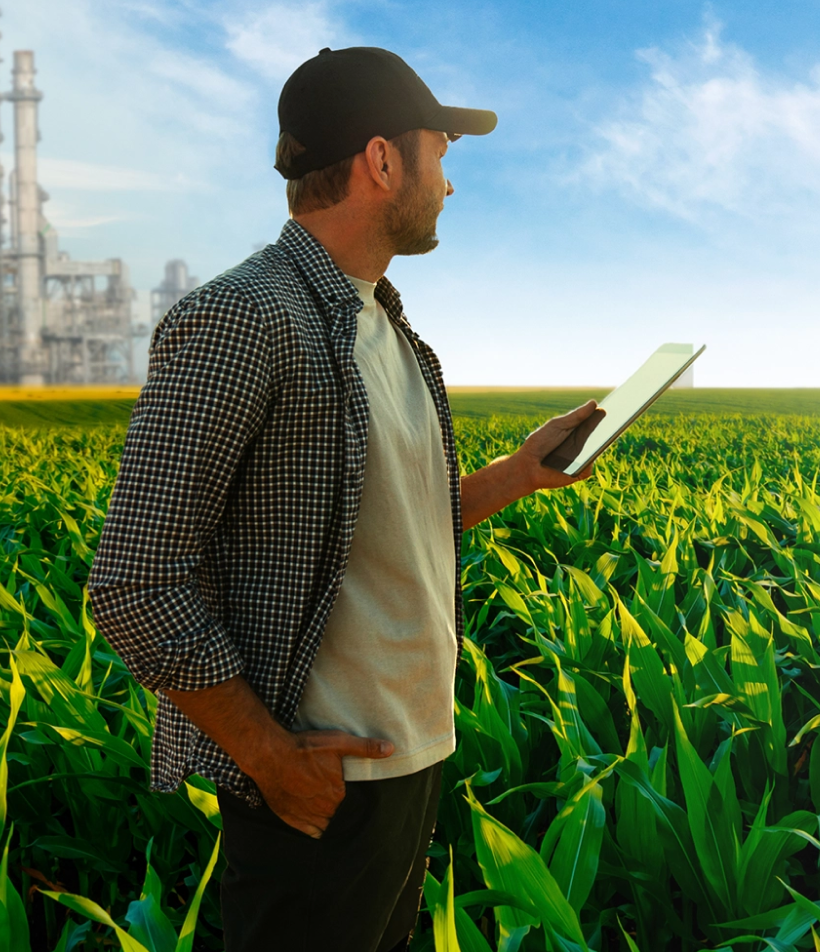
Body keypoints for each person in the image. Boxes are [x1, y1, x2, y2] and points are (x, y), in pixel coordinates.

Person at [88, 46, 598, 952]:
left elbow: (387, 528)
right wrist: (271, 760)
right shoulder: (246, 318)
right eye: (441, 152)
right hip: (320, 789)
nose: (450, 183)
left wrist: (521, 471)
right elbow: (133, 580)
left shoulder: (387, 326)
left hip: (409, 761)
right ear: (383, 161)